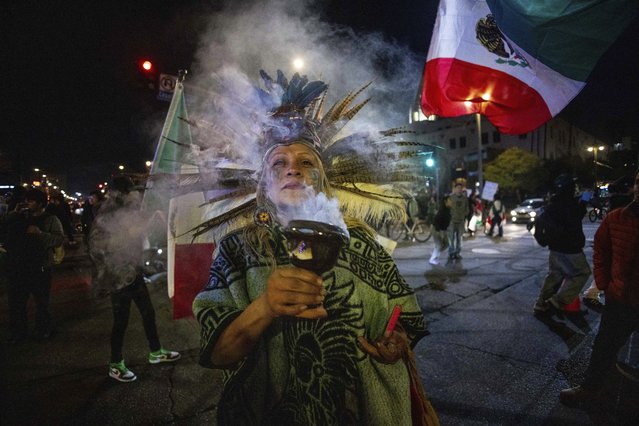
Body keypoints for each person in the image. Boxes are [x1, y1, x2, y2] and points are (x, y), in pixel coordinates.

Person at [192, 70, 437, 425]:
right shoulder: (237, 250)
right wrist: (265, 307)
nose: (293, 170)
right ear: (263, 184)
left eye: (307, 162)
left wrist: (396, 342)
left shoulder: (363, 244)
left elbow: (405, 321)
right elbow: (216, 352)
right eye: (279, 163)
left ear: (324, 179)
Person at [559, 169, 639, 407]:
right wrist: (604, 283)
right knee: (604, 346)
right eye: (638, 182)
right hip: (620, 298)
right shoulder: (616, 218)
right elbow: (601, 250)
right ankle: (591, 389)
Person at [89, 175, 180, 383]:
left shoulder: (126, 209)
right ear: (120, 192)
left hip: (133, 272)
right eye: (130, 191)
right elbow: (98, 245)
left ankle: (155, 351)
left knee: (148, 312)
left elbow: (134, 233)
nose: (134, 194)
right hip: (118, 276)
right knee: (121, 321)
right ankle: (115, 364)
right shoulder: (108, 212)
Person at [2, 188, 64, 342]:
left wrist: (40, 234)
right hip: (19, 266)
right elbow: (4, 228)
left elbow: (58, 239)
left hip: (40, 267)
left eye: (31, 201)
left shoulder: (51, 219)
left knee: (42, 303)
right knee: (17, 302)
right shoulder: (20, 216)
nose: (27, 203)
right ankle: (18, 332)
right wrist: (14, 213)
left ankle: (44, 330)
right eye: (26, 200)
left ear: (40, 203)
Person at [533, 174, 591, 316]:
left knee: (554, 276)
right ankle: (557, 301)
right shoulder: (569, 204)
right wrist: (584, 202)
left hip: (555, 248)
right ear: (569, 188)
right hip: (571, 248)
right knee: (582, 273)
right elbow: (574, 218)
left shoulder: (552, 204)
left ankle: (541, 304)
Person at [447, 182, 469, 260]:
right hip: (452, 221)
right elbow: (446, 208)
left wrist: (465, 214)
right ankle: (451, 252)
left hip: (461, 221)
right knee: (451, 238)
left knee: (459, 238)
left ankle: (457, 253)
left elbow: (467, 208)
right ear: (455, 189)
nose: (459, 190)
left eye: (460, 188)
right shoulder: (450, 198)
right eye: (457, 188)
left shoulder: (464, 198)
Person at [430, 195, 451, 266]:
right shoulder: (442, 210)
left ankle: (435, 253)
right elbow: (436, 221)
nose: (451, 202)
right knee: (439, 245)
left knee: (447, 244)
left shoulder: (448, 209)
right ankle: (432, 259)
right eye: (449, 200)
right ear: (445, 202)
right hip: (436, 229)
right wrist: (439, 232)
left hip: (443, 230)